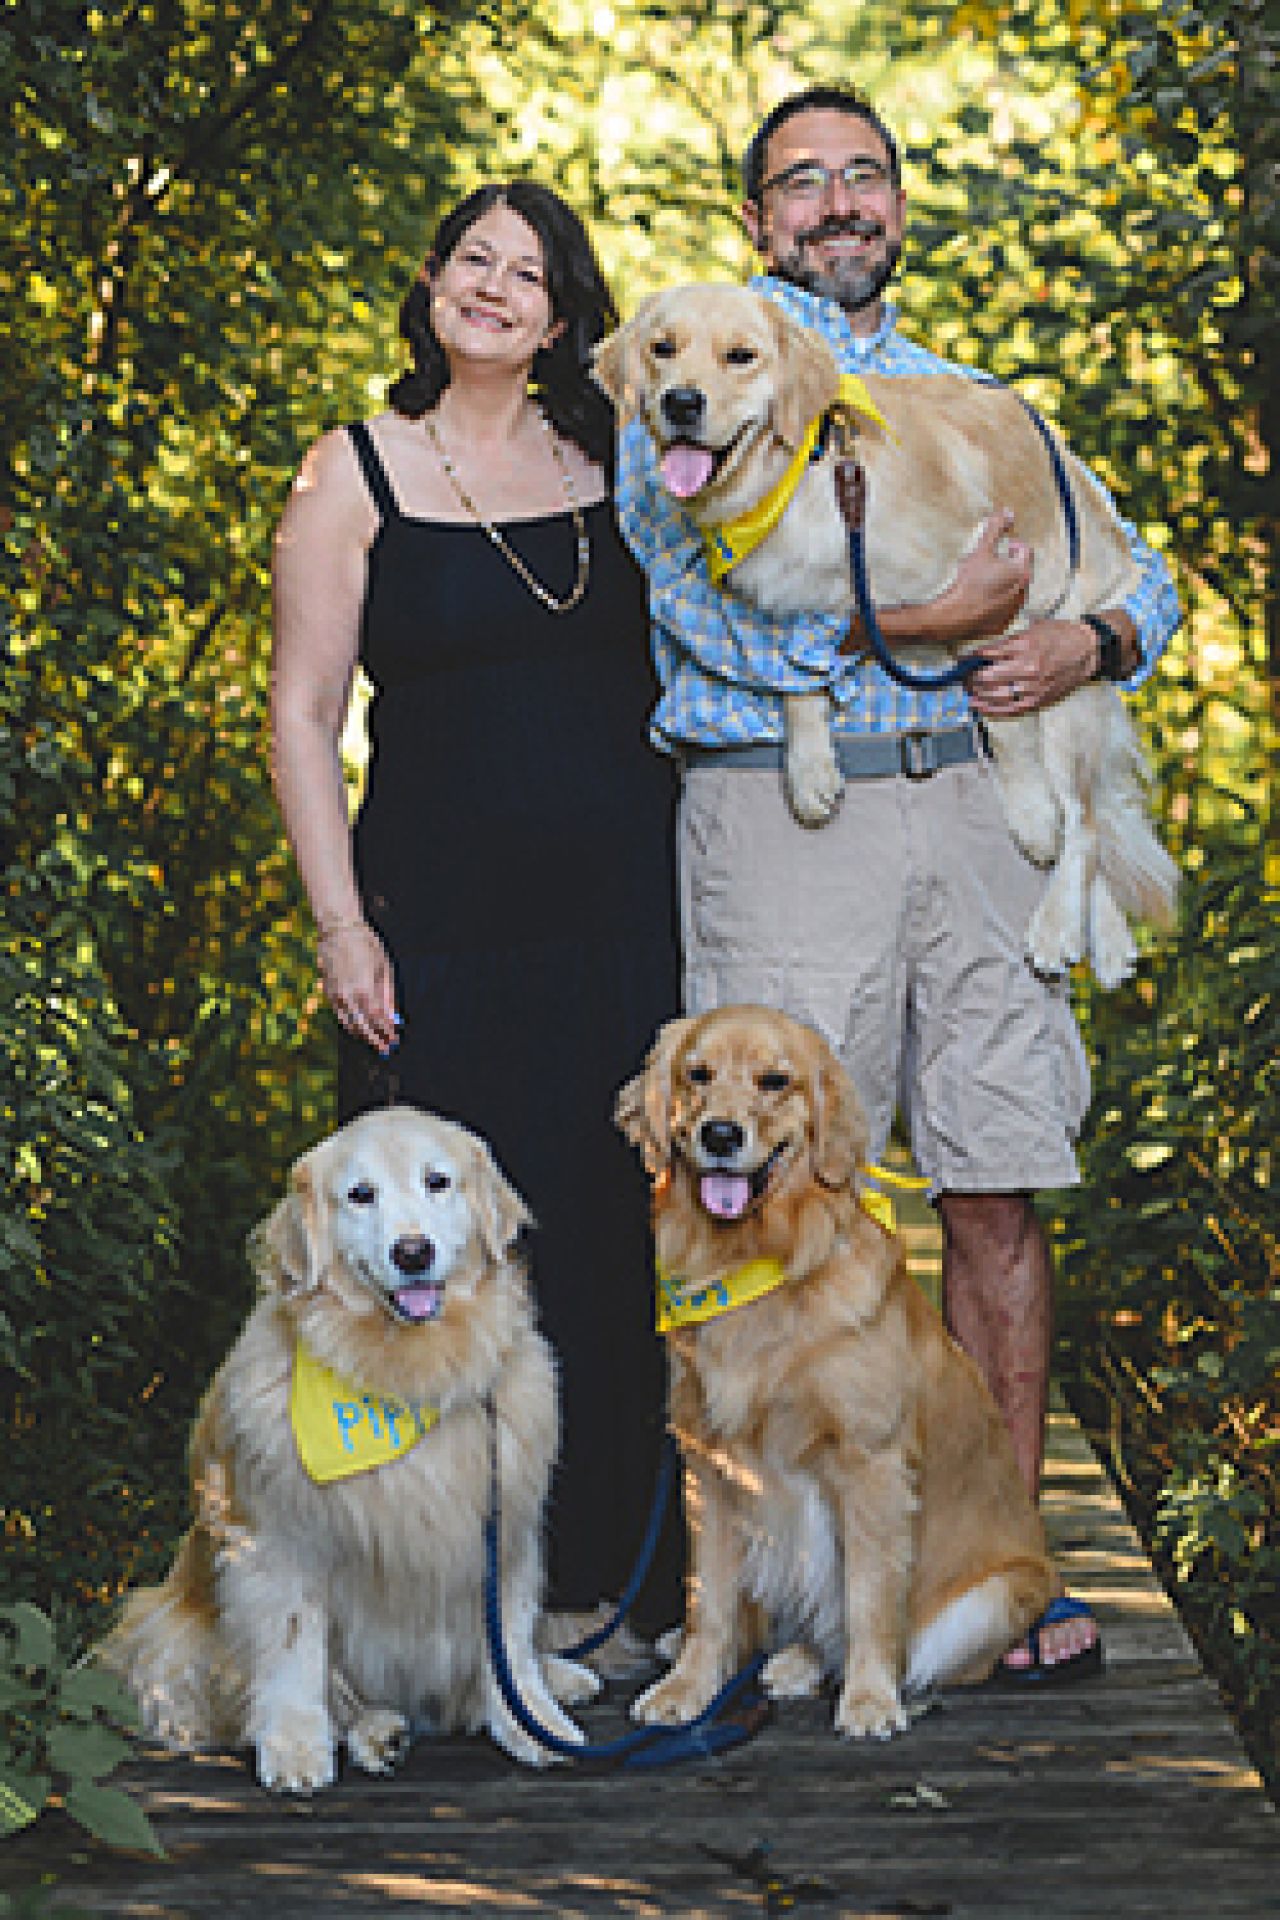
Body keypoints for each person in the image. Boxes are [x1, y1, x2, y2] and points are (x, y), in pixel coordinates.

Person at [614, 86, 1181, 1679]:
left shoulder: (983, 399)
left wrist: (1089, 637)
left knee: (998, 1186)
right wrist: (933, 622)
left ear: (900, 209)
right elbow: (711, 625)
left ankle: (999, 1563)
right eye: (805, 182)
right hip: (787, 824)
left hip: (987, 825)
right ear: (758, 217)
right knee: (757, 1192)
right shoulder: (690, 369)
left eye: (866, 177)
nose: (839, 203)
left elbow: (1141, 575)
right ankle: (763, 1594)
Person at [270, 181, 683, 1642]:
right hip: (433, 930)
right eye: (472, 260)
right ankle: (430, 1615)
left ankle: (617, 1595)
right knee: (433, 1261)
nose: (496, 286)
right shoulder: (352, 471)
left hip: (634, 923)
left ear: (566, 314)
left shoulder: (627, 459)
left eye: (529, 272)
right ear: (433, 285)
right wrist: (341, 926)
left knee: (614, 1240)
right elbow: (305, 714)